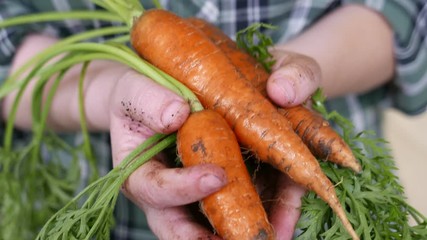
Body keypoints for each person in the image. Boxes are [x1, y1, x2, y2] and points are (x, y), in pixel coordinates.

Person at [1, 0, 426, 239]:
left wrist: (296, 72)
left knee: (315, 175)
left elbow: (407, 12)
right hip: (103, 200)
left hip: (314, 204)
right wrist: (111, 92)